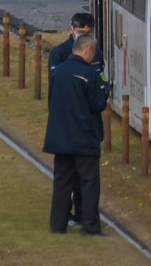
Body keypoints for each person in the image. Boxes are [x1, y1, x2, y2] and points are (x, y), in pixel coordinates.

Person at [44, 34, 111, 235]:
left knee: (62, 183)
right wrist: (105, 89)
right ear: (88, 50)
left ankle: (57, 225)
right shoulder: (89, 74)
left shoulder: (59, 71)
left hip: (60, 137)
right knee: (88, 183)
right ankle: (90, 225)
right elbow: (97, 104)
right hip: (84, 138)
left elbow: (52, 99)